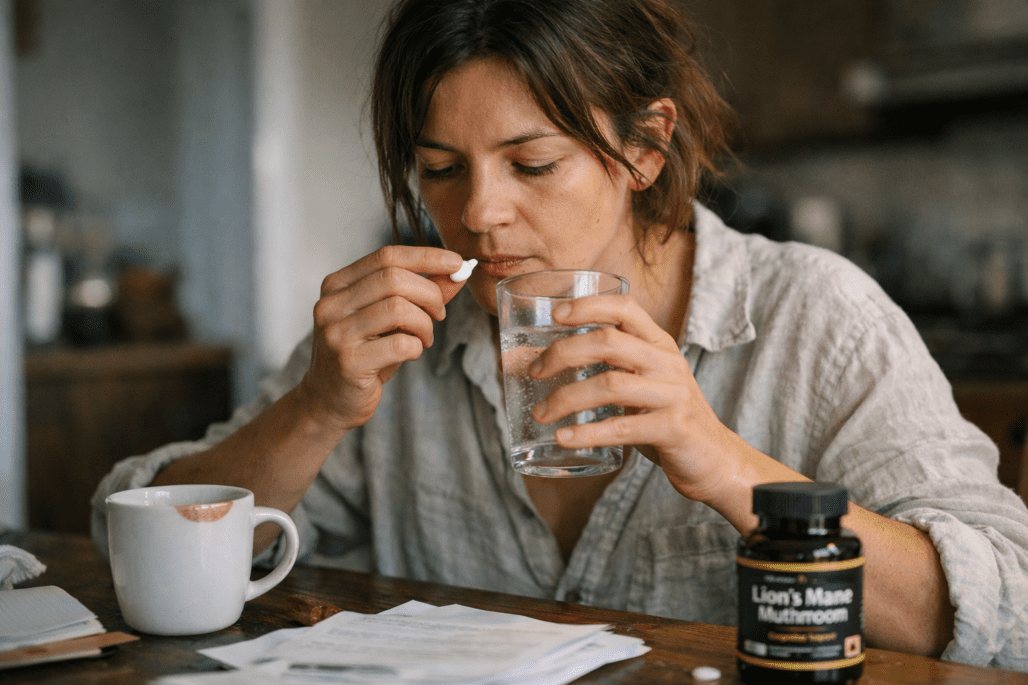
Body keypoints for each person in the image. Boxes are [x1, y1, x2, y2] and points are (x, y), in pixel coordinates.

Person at [91, 0, 1028, 669]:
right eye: (440, 169)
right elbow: (135, 539)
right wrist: (315, 407)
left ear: (644, 148)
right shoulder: (398, 344)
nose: (479, 213)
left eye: (531, 163)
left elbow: (1009, 608)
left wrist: (720, 460)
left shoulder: (816, 319)